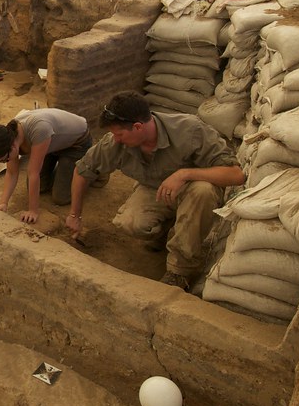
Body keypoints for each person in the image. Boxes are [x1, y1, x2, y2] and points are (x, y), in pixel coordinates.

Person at [65, 91, 245, 291]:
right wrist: (75, 214)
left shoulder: (190, 130)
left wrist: (184, 174)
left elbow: (235, 174)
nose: (116, 139)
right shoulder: (115, 142)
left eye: (120, 134)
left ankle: (179, 271)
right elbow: (83, 170)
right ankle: (169, 228)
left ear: (138, 127)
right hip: (155, 190)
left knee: (203, 191)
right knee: (131, 223)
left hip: (193, 190)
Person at [0, 108, 92, 223]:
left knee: (60, 197)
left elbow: (33, 173)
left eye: (4, 160)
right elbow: (11, 172)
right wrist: (3, 203)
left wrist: (33, 210)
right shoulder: (9, 136)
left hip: (77, 144)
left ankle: (92, 171)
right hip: (51, 145)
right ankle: (63, 169)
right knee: (39, 187)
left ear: (13, 146)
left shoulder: (39, 129)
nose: (5, 162)